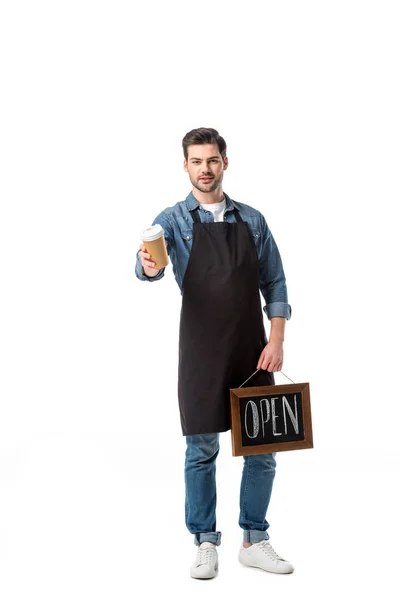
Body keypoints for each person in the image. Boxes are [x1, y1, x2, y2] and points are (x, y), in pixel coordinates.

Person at [135, 127, 294, 579]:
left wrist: (276, 339)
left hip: (253, 350)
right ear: (185, 165)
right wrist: (147, 265)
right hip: (202, 351)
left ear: (225, 163)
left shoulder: (253, 220)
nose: (205, 169)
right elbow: (147, 265)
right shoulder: (171, 220)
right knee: (200, 449)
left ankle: (254, 539)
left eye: (213, 160)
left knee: (262, 448)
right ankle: (205, 542)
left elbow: (276, 282)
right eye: (197, 161)